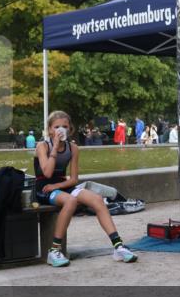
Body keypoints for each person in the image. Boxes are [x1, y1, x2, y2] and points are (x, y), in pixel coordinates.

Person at [34, 110, 138, 266]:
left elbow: (74, 179)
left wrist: (58, 185)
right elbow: (47, 173)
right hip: (44, 189)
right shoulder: (43, 146)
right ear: (49, 130)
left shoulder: (73, 148)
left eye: (64, 126)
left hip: (61, 186)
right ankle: (54, 251)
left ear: (70, 129)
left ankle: (118, 247)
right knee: (70, 201)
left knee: (96, 199)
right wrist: (55, 147)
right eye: (56, 127)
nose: (60, 130)